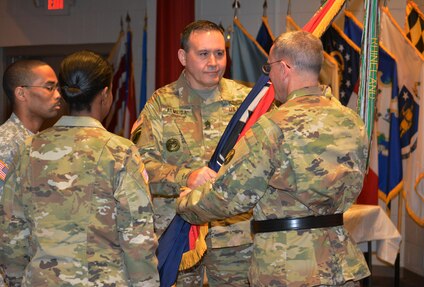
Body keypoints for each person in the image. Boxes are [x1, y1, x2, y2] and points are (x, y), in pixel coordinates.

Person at [177, 31, 371, 286]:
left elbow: (230, 197)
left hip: (287, 267)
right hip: (340, 264)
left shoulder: (273, 127)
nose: (269, 75)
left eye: (269, 67)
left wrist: (186, 203)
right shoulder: (352, 121)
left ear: (284, 68)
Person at [0, 50, 159, 286]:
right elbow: (137, 236)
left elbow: (12, 231)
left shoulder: (28, 149)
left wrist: (16, 281)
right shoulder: (119, 151)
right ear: (105, 94)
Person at [131, 20, 253, 286]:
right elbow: (140, 167)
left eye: (220, 53)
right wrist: (186, 177)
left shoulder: (246, 103)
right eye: (204, 54)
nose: (214, 62)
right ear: (183, 57)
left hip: (233, 234)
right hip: (179, 231)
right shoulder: (161, 105)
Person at [0, 59, 62, 197]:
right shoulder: (5, 144)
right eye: (49, 87)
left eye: (58, 88)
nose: (58, 95)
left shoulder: (41, 141)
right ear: (21, 93)